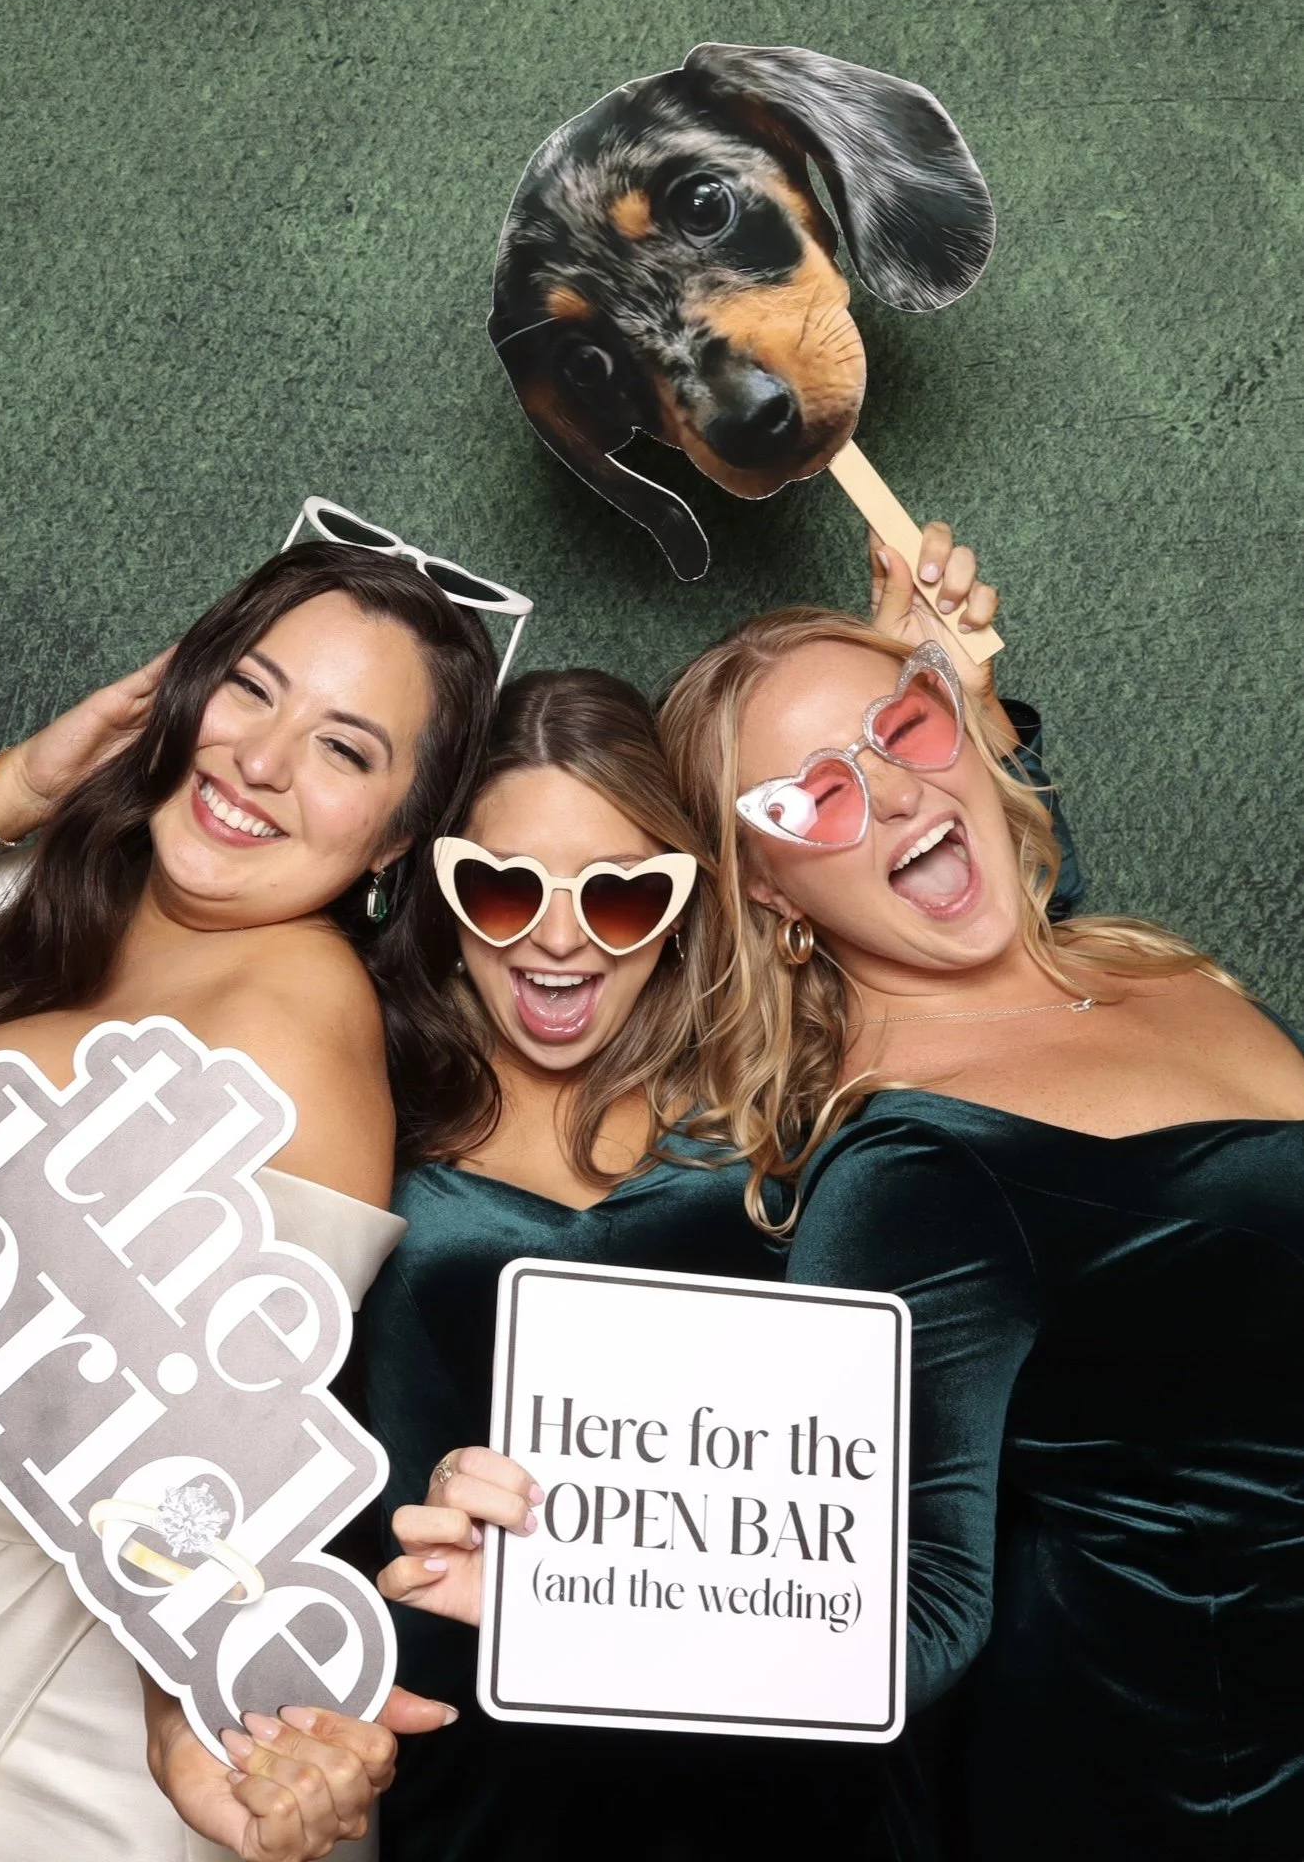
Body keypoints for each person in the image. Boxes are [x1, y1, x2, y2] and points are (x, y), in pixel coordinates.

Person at [0, 536, 498, 1862]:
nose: (260, 760)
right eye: (250, 689)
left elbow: (202, 1448)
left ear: (397, 837)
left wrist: (175, 1717)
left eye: (343, 748)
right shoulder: (53, 903)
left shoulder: (294, 1016)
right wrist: (29, 782)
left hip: (65, 1747)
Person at [368, 532, 1070, 1858]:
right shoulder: (358, 1118)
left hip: (810, 1792)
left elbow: (1005, 969)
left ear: (693, 903)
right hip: (483, 1788)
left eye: (622, 897)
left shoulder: (784, 1104)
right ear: (438, 895)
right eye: (505, 886)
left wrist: (943, 703)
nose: (560, 936)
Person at [651, 587, 1304, 1859]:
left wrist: (952, 680)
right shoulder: (909, 1172)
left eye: (901, 726)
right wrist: (563, 1604)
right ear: (770, 893)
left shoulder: (1147, 967)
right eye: (816, 796)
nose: (891, 793)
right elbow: (893, 1625)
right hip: (1200, 1788)